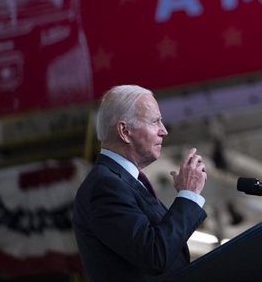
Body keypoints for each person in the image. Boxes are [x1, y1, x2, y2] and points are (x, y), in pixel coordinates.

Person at [73, 84, 208, 281]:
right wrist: (188, 195)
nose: (164, 131)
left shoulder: (122, 181)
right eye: (155, 121)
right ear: (124, 131)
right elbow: (155, 255)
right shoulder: (104, 186)